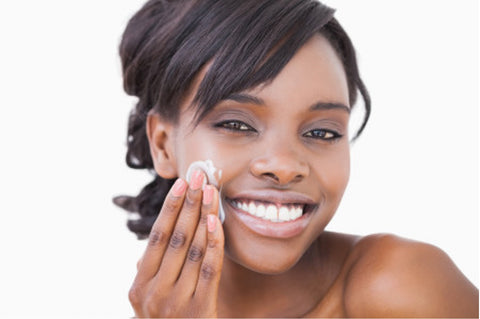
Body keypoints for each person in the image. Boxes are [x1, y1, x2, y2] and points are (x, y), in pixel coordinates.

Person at [114, 0, 479, 317]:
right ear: (163, 145)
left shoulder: (400, 285)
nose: (286, 166)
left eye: (322, 133)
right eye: (237, 124)